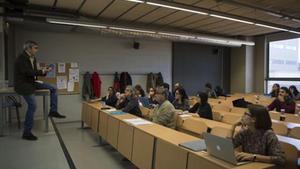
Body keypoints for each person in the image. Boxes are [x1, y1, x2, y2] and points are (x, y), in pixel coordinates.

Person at [14, 41, 66, 141]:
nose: (37, 50)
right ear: (28, 48)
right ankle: (27, 133)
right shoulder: (21, 58)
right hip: (23, 84)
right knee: (33, 106)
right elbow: (27, 72)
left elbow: (34, 73)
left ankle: (53, 111)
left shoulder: (33, 58)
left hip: (32, 82)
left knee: (54, 88)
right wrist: (41, 71)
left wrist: (45, 71)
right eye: (35, 48)